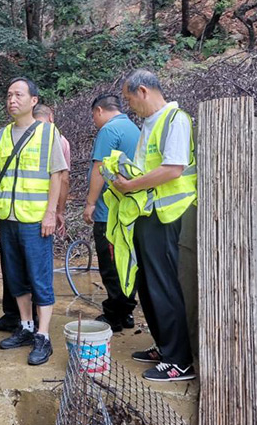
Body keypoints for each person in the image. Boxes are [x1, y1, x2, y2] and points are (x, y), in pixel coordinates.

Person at [112, 69, 197, 382]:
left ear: (144, 91)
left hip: (169, 216)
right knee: (147, 285)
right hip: (148, 216)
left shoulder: (176, 120)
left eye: (130, 98)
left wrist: (130, 186)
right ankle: (164, 347)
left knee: (165, 287)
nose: (129, 104)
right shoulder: (149, 123)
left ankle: (180, 361)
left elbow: (173, 169)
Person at [0, 77, 68, 366]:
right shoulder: (3, 135)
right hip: (9, 218)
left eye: (18, 94)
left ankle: (43, 335)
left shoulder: (47, 133)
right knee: (15, 276)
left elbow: (56, 175)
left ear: (33, 101)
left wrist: (50, 213)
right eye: (8, 95)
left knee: (40, 278)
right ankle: (26, 326)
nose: (12, 100)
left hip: (35, 220)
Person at [82, 93, 141, 333]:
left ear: (99, 111)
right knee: (127, 264)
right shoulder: (134, 128)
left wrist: (90, 203)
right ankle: (125, 313)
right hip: (130, 211)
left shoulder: (109, 130)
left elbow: (100, 168)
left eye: (94, 116)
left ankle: (115, 315)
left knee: (110, 265)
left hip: (110, 213)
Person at [32, 104, 71, 234]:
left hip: (23, 207)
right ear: (50, 117)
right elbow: (64, 179)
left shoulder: (22, 136)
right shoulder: (61, 140)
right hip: (48, 206)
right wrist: (59, 211)